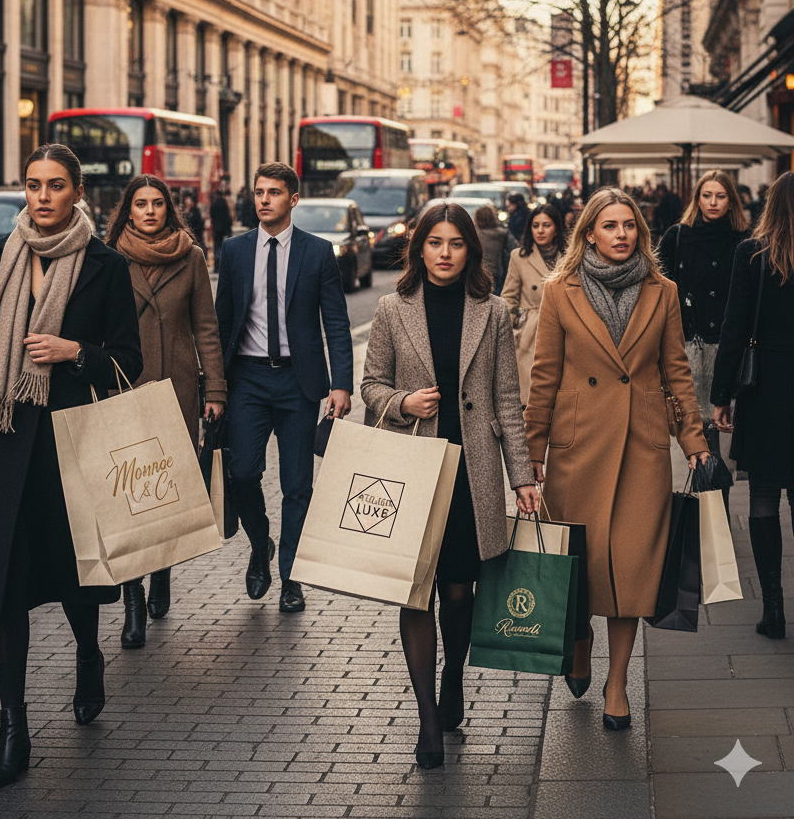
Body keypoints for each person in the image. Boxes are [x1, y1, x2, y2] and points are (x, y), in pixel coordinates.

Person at [0, 144, 142, 788]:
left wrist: (74, 351)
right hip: (1, 441)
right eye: (33, 185)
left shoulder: (104, 266)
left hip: (66, 443)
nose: (43, 197)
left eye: (56, 186)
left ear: (77, 191)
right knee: (4, 587)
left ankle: (89, 655)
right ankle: (13, 729)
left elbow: (129, 360)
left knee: (74, 576)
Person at [525, 188, 709, 731]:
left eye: (630, 225)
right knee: (580, 565)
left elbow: (677, 371)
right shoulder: (560, 291)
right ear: (589, 234)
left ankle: (618, 681)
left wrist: (694, 442)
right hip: (579, 447)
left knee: (632, 570)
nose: (622, 234)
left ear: (641, 233)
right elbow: (545, 375)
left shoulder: (663, 291)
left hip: (641, 445)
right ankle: (580, 642)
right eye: (610, 226)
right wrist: (532, 453)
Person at [361, 202, 536, 769]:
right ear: (419, 249)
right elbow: (371, 386)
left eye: (455, 243)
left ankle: (453, 675)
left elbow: (508, 400)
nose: (444, 253)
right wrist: (401, 402)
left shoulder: (493, 311)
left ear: (470, 250)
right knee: (417, 592)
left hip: (472, 471)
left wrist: (524, 478)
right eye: (434, 242)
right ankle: (427, 719)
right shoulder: (391, 308)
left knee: (460, 591)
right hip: (414, 470)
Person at [215, 162, 353, 614]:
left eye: (274, 192)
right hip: (248, 379)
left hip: (298, 381)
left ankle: (292, 577)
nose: (264, 200)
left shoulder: (316, 252)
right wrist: (214, 387)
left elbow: (336, 322)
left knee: (298, 485)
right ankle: (261, 545)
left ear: (293, 199)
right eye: (259, 192)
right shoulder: (234, 251)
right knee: (241, 474)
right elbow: (220, 324)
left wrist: (341, 385)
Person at [106, 175, 226, 648]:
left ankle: (161, 572)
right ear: (128, 211)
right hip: (125, 388)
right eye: (141, 204)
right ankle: (132, 599)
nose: (150, 211)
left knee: (164, 493)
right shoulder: (109, 256)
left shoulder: (191, 256)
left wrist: (215, 389)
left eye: (158, 204)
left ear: (169, 209)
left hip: (177, 389)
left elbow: (207, 329)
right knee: (129, 498)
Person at [711, 172, 794, 640]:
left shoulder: (753, 254)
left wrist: (721, 396)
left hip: (764, 388)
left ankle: (775, 609)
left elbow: (734, 328)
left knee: (762, 498)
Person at [659, 170, 748, 520]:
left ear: (731, 201)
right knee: (694, 435)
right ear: (697, 199)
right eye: (706, 195)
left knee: (723, 440)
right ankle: (702, 517)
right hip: (687, 350)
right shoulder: (678, 237)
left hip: (731, 351)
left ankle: (719, 519)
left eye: (720, 196)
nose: (712, 202)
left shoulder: (745, 240)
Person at [501, 203, 567, 406]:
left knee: (562, 394)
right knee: (531, 399)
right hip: (529, 334)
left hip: (564, 329)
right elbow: (508, 297)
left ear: (556, 228)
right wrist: (515, 328)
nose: (540, 230)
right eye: (536, 225)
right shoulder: (519, 257)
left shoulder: (571, 257)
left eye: (546, 225)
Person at [474, 204, 517, 295]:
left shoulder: (473, 234)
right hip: (498, 273)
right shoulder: (503, 234)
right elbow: (515, 249)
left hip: (476, 272)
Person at [210, 186, 233, 273]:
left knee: (216, 247)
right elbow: (228, 218)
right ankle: (224, 267)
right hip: (224, 229)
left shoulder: (214, 204)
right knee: (224, 248)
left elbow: (212, 216)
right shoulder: (225, 204)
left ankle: (217, 267)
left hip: (216, 229)